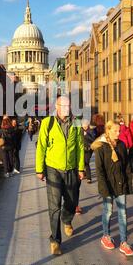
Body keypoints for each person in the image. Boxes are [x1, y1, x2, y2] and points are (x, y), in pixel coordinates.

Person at [36, 95, 85, 256]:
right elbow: (41, 146)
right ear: (56, 107)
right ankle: (55, 241)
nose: (67, 108)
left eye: (69, 105)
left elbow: (80, 146)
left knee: (72, 201)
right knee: (54, 206)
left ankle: (67, 219)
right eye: (64, 105)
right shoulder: (47, 123)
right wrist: (39, 169)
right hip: (53, 169)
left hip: (71, 168)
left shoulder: (76, 123)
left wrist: (81, 168)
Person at [91, 120, 133, 257]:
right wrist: (103, 188)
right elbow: (99, 170)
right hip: (108, 186)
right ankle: (106, 235)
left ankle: (124, 242)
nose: (118, 133)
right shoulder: (100, 147)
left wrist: (128, 184)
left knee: (123, 213)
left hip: (120, 184)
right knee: (108, 211)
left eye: (119, 131)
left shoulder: (121, 145)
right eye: (115, 131)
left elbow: (126, 166)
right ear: (108, 130)